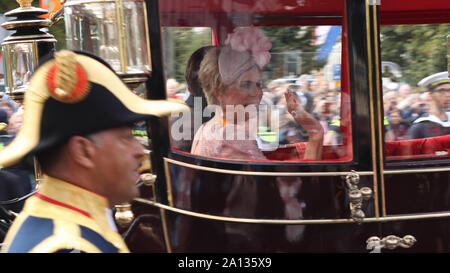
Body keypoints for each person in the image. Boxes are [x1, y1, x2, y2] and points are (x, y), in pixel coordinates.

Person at [0, 50, 188, 253]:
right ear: (83, 151)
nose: (139, 151)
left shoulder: (65, 228)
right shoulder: (67, 245)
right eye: (126, 137)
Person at [192, 27, 323, 161]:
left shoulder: (204, 130)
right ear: (219, 92)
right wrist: (315, 132)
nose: (257, 93)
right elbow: (290, 182)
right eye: (245, 85)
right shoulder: (232, 136)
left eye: (258, 84)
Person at [407, 72, 450, 139]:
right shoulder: (420, 126)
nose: (448, 95)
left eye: (449, 90)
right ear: (430, 95)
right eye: (442, 91)